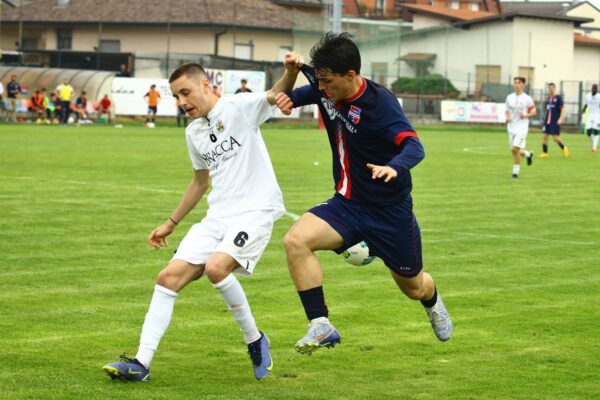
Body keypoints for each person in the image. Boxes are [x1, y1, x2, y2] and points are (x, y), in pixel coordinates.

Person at [102, 54, 302, 382]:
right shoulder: (193, 132)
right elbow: (200, 182)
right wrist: (171, 223)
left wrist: (290, 72)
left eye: (185, 93)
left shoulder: (238, 107)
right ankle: (141, 363)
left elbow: (274, 93)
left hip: (255, 212)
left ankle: (255, 338)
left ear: (205, 85)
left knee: (216, 268)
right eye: (176, 97)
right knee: (167, 278)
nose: (182, 102)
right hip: (218, 216)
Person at [273, 32, 452, 356]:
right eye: (320, 81)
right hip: (347, 203)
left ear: (351, 75)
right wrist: (289, 79)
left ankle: (432, 299)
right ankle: (320, 324)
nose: (321, 88)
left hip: (389, 212)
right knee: (295, 241)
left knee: (412, 286)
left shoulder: (380, 104)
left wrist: (394, 167)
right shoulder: (324, 83)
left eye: (327, 82)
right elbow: (283, 97)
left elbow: (414, 145)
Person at [505, 77, 536, 179]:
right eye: (515, 83)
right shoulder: (509, 97)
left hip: (522, 127)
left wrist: (526, 115)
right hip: (511, 127)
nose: (516, 85)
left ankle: (515, 173)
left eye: (518, 83)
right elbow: (506, 110)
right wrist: (508, 117)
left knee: (515, 148)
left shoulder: (527, 98)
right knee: (514, 150)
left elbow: (534, 112)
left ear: (523, 85)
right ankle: (527, 154)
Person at [539, 82, 568, 158]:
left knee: (555, 137)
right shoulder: (548, 99)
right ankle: (545, 153)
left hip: (555, 121)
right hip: (547, 121)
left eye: (552, 88)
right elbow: (546, 108)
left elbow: (562, 109)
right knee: (545, 136)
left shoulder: (558, 98)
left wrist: (561, 118)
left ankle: (564, 148)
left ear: (555, 88)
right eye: (549, 88)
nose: (550, 89)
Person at [581, 84, 600, 153]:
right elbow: (586, 105)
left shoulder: (599, 97)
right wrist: (583, 111)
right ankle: (594, 144)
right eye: (593, 89)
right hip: (590, 116)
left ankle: (594, 148)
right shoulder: (588, 96)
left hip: (597, 116)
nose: (594, 90)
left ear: (597, 90)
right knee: (588, 133)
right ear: (591, 89)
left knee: (596, 132)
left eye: (595, 89)